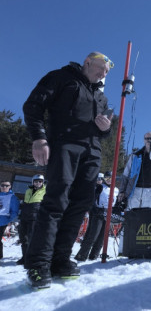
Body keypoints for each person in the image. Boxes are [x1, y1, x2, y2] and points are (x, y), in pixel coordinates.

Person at [22, 51, 114, 289]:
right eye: (101, 68)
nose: (104, 74)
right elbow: (33, 105)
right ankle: (38, 264)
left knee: (81, 204)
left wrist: (105, 128)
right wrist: (39, 138)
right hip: (64, 144)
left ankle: (60, 258)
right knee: (56, 201)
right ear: (87, 63)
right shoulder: (61, 77)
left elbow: (105, 132)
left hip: (91, 152)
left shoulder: (100, 97)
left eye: (106, 72)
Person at [75, 171, 118, 261]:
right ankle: (81, 255)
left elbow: (115, 202)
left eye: (111, 178)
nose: (109, 180)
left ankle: (94, 255)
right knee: (93, 235)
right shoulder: (100, 187)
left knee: (102, 237)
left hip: (108, 213)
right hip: (98, 212)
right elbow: (92, 199)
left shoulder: (116, 190)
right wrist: (94, 209)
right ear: (104, 179)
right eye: (107, 178)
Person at [118, 132, 151, 210]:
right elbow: (126, 174)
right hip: (135, 190)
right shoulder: (135, 155)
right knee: (133, 214)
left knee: (148, 215)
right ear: (144, 140)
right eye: (147, 139)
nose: (149, 141)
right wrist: (122, 191)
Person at [17, 174, 46, 265]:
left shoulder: (45, 191)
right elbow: (26, 204)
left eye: (40, 181)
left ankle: (31, 258)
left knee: (31, 239)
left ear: (43, 182)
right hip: (24, 217)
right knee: (23, 238)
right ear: (33, 182)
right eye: (36, 181)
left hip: (35, 219)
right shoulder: (28, 191)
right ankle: (24, 257)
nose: (38, 183)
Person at [0, 181, 20, 260]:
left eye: (6, 185)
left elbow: (15, 211)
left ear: (10, 187)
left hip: (3, 220)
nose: (4, 187)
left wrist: (9, 220)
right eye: (2, 185)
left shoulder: (13, 197)